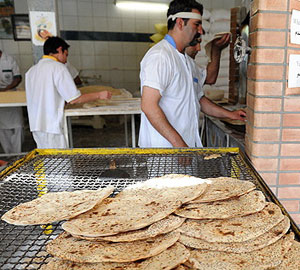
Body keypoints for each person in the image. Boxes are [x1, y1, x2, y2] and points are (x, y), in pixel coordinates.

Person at [139, 0, 246, 148]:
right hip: (165, 149)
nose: (201, 31)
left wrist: (230, 114)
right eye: (197, 24)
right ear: (180, 23)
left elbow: (198, 98)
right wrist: (179, 144)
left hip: (186, 147)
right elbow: (149, 106)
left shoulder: (186, 61)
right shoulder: (160, 56)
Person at [25, 36, 112, 149]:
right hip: (51, 126)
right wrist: (100, 95)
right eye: (66, 55)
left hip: (36, 125)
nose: (66, 60)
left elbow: (44, 96)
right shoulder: (58, 68)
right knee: (59, 162)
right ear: (60, 50)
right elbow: (74, 99)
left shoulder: (32, 71)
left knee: (46, 161)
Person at [0, 50, 23, 153]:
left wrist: (6, 89)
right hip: (1, 101)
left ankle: (18, 154)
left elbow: (18, 78)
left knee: (17, 126)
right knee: (2, 129)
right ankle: (8, 155)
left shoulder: (9, 60)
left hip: (12, 95)